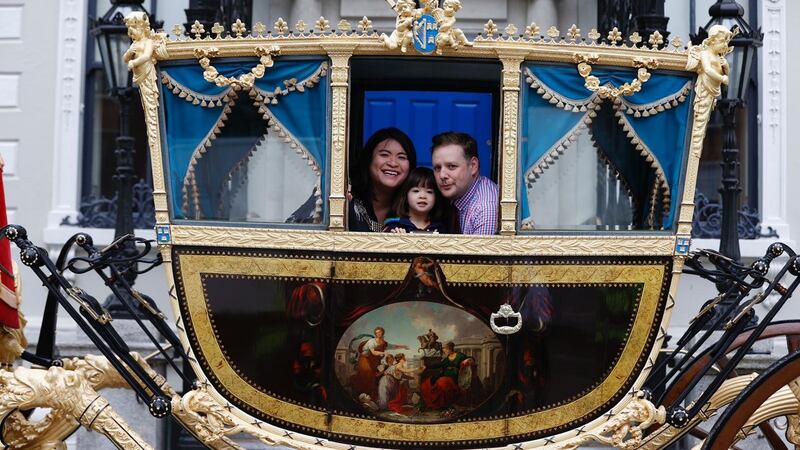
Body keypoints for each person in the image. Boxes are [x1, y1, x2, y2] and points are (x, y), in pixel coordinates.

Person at [349, 128, 417, 232]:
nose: (393, 163)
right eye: (384, 155)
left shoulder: (418, 207)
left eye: (401, 157)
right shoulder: (347, 197)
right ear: (369, 159)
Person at [431, 132, 498, 235]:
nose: (442, 175)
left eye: (451, 166)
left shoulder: (484, 210)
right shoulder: (457, 193)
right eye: (437, 168)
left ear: (473, 166)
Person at [383, 167, 448, 233]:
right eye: (416, 191)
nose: (423, 196)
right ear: (406, 195)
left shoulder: (441, 228)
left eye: (429, 192)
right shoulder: (394, 225)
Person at [350, 327, 409, 397]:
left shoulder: (384, 343)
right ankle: (363, 392)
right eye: (377, 332)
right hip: (365, 359)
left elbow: (393, 346)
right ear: (375, 333)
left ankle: (372, 393)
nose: (378, 333)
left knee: (375, 374)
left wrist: (403, 346)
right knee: (367, 372)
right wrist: (384, 353)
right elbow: (373, 352)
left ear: (383, 333)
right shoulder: (372, 341)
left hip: (374, 361)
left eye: (380, 332)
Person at [419, 341, 472, 410]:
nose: (444, 352)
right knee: (429, 383)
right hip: (444, 375)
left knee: (443, 382)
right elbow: (437, 365)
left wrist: (467, 360)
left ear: (450, 349)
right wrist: (426, 366)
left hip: (455, 377)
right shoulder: (446, 359)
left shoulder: (460, 356)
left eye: (445, 350)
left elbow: (470, 359)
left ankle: (445, 404)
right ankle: (439, 404)